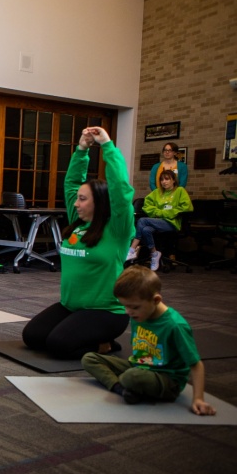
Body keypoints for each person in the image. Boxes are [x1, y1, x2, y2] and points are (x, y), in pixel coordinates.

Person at [21, 127, 134, 359]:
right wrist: (82, 149)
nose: (76, 203)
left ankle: (106, 345)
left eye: (83, 199)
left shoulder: (117, 228)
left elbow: (121, 189)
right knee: (32, 337)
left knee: (59, 345)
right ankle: (82, 333)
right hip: (71, 306)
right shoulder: (78, 223)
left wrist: (107, 146)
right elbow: (71, 183)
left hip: (106, 311)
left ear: (100, 202)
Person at [81, 266, 216, 415]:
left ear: (156, 300)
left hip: (166, 379)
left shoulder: (175, 325)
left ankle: (126, 386)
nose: (128, 312)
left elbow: (196, 365)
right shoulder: (139, 314)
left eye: (134, 307)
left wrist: (198, 399)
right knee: (89, 358)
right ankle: (121, 389)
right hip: (140, 366)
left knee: (131, 376)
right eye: (125, 306)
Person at [126, 170, 193, 271]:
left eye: (167, 179)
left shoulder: (180, 191)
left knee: (142, 221)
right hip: (157, 221)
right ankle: (154, 253)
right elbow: (146, 206)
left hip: (172, 223)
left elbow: (187, 207)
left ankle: (132, 249)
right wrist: (158, 212)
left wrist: (164, 213)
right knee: (146, 230)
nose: (164, 182)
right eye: (162, 179)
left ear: (173, 180)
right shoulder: (157, 192)